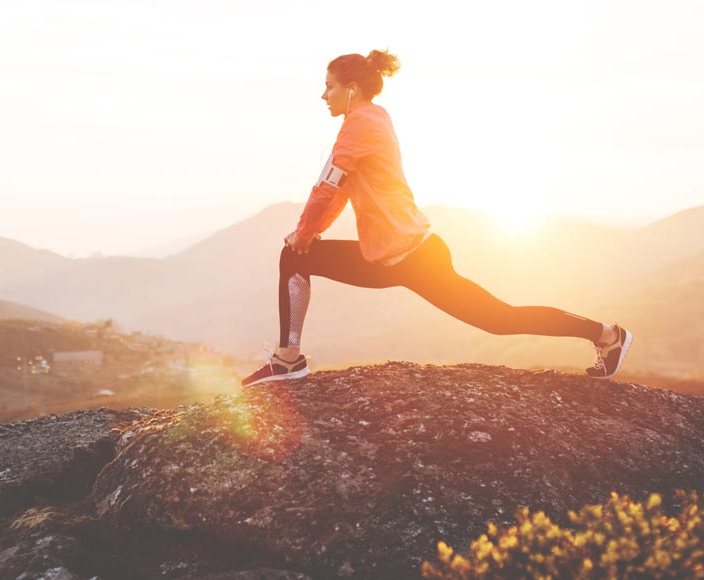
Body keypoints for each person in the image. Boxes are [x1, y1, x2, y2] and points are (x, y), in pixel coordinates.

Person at [241, 49, 632, 387]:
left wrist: (305, 232)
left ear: (352, 89)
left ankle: (607, 335)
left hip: (415, 259)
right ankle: (288, 359)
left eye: (329, 86)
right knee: (296, 256)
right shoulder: (370, 118)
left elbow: (326, 188)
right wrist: (309, 234)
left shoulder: (360, 124)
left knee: (499, 319)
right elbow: (339, 190)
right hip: (386, 256)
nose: (323, 94)